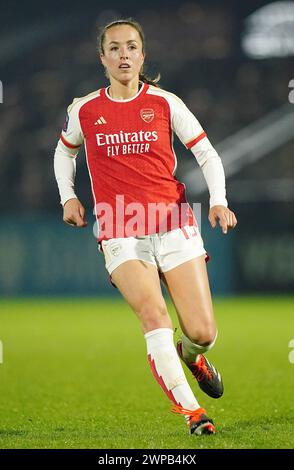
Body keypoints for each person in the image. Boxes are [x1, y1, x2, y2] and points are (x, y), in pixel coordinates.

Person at [54, 18, 237, 436]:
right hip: (119, 225)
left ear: (142, 55)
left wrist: (219, 202)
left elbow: (207, 153)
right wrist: (68, 195)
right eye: (114, 48)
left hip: (173, 220)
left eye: (131, 47)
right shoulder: (84, 109)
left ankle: (192, 356)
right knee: (154, 315)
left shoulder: (166, 102)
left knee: (203, 332)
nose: (123, 55)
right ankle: (195, 415)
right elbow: (64, 153)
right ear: (102, 58)